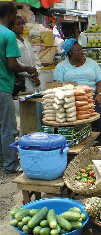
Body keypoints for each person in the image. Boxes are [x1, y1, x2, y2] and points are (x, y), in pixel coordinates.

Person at [0, 1, 37, 173]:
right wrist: (27, 69)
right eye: (15, 13)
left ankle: (3, 159)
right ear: (9, 14)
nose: (16, 16)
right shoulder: (8, 35)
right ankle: (10, 164)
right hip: (3, 86)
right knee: (8, 127)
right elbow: (12, 65)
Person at [53, 39, 101, 147]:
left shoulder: (91, 63)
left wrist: (98, 95)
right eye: (77, 50)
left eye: (81, 49)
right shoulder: (61, 67)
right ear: (69, 52)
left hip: (91, 97)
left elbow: (100, 80)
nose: (81, 52)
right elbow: (58, 85)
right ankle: (69, 144)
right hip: (71, 98)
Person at [11, 15, 41, 93]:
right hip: (21, 80)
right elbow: (15, 62)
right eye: (18, 24)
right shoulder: (11, 41)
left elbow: (35, 58)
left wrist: (36, 71)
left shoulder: (26, 40)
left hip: (33, 79)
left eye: (21, 24)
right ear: (11, 26)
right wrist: (30, 74)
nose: (21, 26)